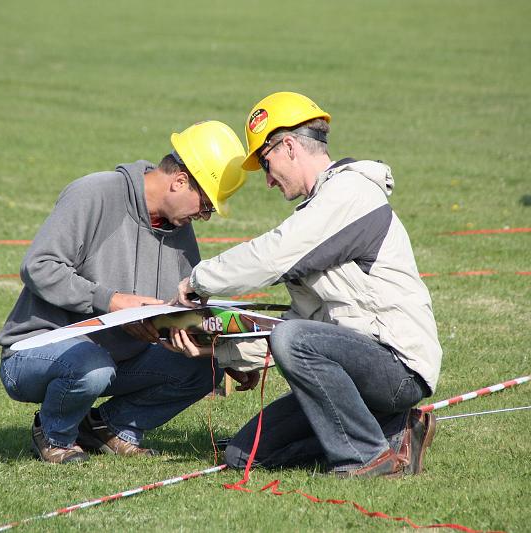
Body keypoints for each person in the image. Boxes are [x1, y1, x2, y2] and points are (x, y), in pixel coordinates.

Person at [173, 92, 442, 478]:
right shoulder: (320, 211)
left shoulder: (350, 194)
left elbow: (271, 258)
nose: (268, 180)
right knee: (242, 454)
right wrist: (217, 350)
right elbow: (298, 323)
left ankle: (367, 458)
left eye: (265, 164)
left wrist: (200, 280)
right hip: (354, 367)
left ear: (288, 146)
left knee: (293, 339)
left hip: (397, 368)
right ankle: (394, 433)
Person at [0, 120, 247, 464]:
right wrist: (110, 301)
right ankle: (54, 433)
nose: (205, 217)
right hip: (34, 350)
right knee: (92, 366)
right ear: (179, 181)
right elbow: (38, 266)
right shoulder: (94, 193)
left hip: (117, 360)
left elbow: (183, 308)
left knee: (208, 366)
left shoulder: (178, 226)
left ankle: (111, 427)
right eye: (206, 205)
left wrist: (228, 352)